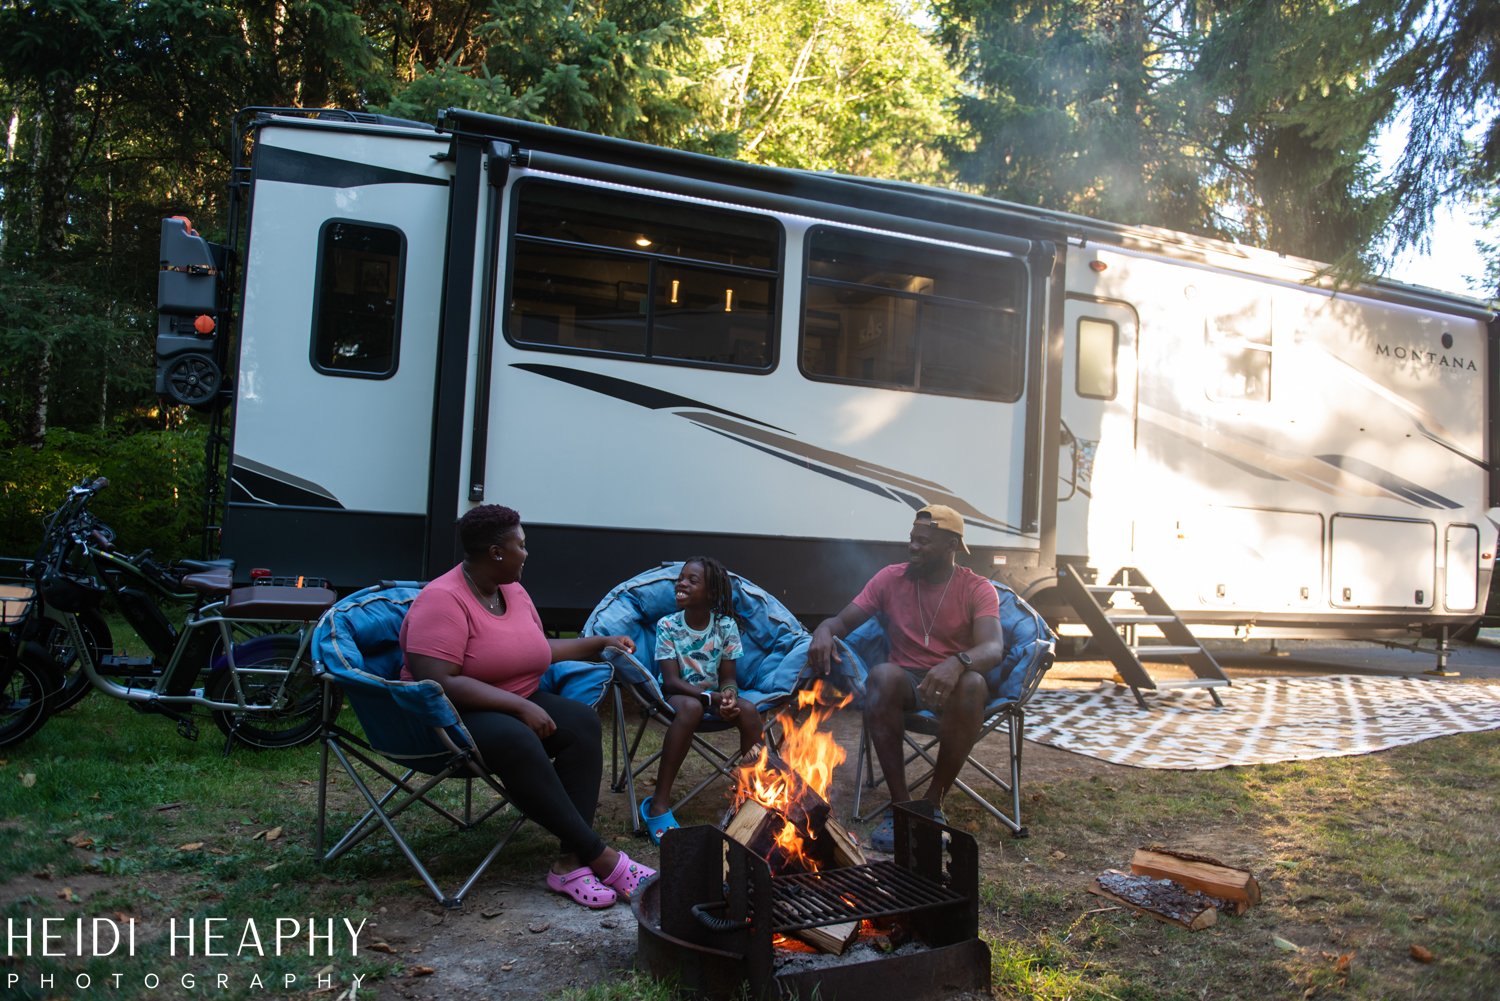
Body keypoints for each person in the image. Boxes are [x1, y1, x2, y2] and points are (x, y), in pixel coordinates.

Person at [400, 504, 655, 910]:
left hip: (513, 700)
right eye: (521, 545)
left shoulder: (512, 590)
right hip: (450, 715)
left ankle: (570, 862)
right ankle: (603, 858)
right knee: (519, 738)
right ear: (496, 552)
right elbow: (438, 680)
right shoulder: (442, 600)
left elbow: (535, 649)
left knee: (581, 724)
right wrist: (518, 708)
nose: (526, 552)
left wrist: (598, 643)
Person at [807, 505, 1005, 852]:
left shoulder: (977, 588)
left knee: (974, 683)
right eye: (911, 539)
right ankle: (901, 806)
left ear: (951, 546)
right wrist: (824, 631)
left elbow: (992, 647)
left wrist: (957, 663)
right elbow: (840, 623)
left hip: (956, 686)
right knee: (881, 676)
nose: (913, 547)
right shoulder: (890, 579)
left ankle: (932, 803)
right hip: (907, 683)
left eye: (923, 542)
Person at [639, 557, 762, 844]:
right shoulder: (668, 625)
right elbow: (670, 681)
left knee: (749, 711)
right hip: (679, 697)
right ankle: (659, 803)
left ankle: (757, 795)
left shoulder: (726, 626)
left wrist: (729, 696)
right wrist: (711, 697)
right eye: (681, 578)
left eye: (692, 580)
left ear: (711, 593)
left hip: (714, 696)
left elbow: (729, 676)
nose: (681, 583)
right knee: (693, 707)